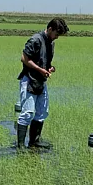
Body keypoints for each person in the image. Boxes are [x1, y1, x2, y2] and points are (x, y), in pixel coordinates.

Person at [16, 18, 69, 149]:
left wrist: (50, 68)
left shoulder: (50, 43)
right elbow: (24, 58)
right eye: (56, 34)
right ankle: (21, 145)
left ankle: (34, 141)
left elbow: (45, 62)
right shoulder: (36, 40)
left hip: (41, 81)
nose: (57, 37)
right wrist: (40, 69)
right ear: (50, 29)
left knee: (42, 112)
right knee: (27, 113)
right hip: (29, 80)